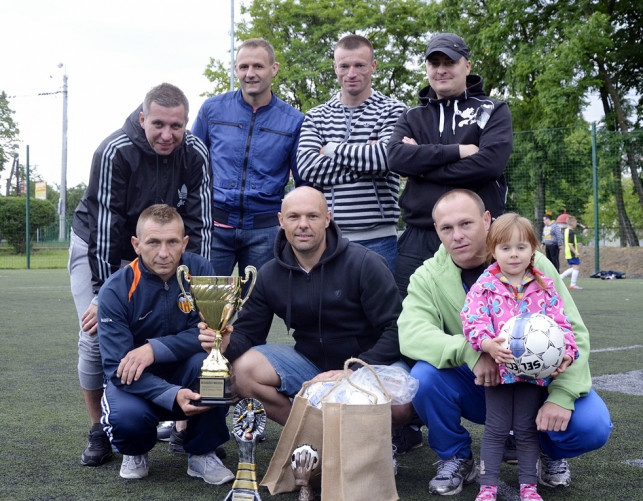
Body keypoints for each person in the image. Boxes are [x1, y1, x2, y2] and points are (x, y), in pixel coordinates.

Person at [398, 189, 611, 496]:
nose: (457, 235)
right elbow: (412, 332)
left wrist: (562, 395)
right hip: (486, 384)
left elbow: (574, 331)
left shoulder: (533, 263)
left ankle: (548, 451)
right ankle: (456, 456)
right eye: (447, 228)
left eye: (466, 224)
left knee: (592, 426)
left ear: (486, 220)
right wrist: (472, 352)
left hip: (540, 385)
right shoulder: (427, 276)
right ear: (436, 230)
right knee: (424, 377)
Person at [68, 83, 212, 466]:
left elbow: (201, 222)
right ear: (143, 118)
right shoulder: (115, 150)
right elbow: (106, 227)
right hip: (104, 244)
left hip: (163, 243)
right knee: (94, 337)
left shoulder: (195, 151)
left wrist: (199, 285)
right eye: (159, 124)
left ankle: (183, 424)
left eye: (176, 126)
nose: (167, 134)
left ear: (186, 122)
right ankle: (99, 427)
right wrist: (102, 294)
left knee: (190, 330)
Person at [198, 186, 410, 428]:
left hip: (368, 364)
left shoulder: (364, 263)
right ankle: (310, 433)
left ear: (327, 219)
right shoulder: (269, 274)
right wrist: (225, 343)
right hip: (310, 365)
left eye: (312, 216)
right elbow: (249, 333)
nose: (303, 225)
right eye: (294, 217)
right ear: (281, 221)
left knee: (400, 404)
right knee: (243, 371)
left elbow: (395, 329)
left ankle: (381, 438)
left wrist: (353, 370)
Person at [98, 204, 233, 484]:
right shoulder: (115, 289)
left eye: (172, 242)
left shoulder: (201, 271)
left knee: (211, 367)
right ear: (136, 245)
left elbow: (208, 334)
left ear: (184, 242)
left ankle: (202, 452)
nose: (163, 253)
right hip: (137, 384)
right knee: (126, 417)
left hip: (186, 370)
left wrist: (153, 349)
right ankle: (135, 451)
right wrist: (171, 394)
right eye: (153, 242)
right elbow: (116, 365)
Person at [460, 213, 579, 501]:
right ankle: (488, 486)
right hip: (500, 372)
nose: (514, 254)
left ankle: (529, 486)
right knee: (496, 429)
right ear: (493, 250)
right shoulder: (484, 286)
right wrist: (487, 344)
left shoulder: (545, 286)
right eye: (505, 248)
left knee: (526, 429)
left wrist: (567, 352)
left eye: (521, 247)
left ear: (533, 249)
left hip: (533, 373)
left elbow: (562, 325)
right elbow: (472, 320)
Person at [387, 32, 513, 297]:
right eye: (434, 63)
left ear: (467, 66)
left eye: (450, 62)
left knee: (485, 315)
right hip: (418, 238)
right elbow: (396, 158)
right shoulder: (411, 116)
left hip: (478, 239)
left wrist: (421, 168)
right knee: (408, 315)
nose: (441, 70)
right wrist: (459, 151)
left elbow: (489, 165)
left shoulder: (492, 109)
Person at [192, 38, 304, 279]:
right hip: (214, 227)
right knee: (205, 299)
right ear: (236, 70)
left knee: (258, 300)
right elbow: (191, 165)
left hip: (265, 231)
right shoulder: (212, 110)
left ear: (274, 69)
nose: (250, 73)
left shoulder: (294, 121)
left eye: (258, 66)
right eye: (244, 67)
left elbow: (302, 182)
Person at [296, 34, 407, 274]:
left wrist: (331, 149)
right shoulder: (316, 115)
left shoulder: (394, 110)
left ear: (373, 66)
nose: (352, 73)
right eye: (344, 66)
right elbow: (307, 167)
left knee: (382, 301)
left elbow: (387, 157)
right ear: (335, 67)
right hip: (330, 239)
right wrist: (368, 162)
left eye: (360, 65)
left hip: (380, 240)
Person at [560, 215, 582, 290]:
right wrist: (575, 252)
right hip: (571, 253)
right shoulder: (571, 232)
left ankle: (560, 278)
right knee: (576, 267)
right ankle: (572, 284)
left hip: (568, 253)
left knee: (575, 267)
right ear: (572, 223)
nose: (576, 223)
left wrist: (577, 244)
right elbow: (570, 244)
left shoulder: (566, 230)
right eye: (575, 222)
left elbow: (569, 242)